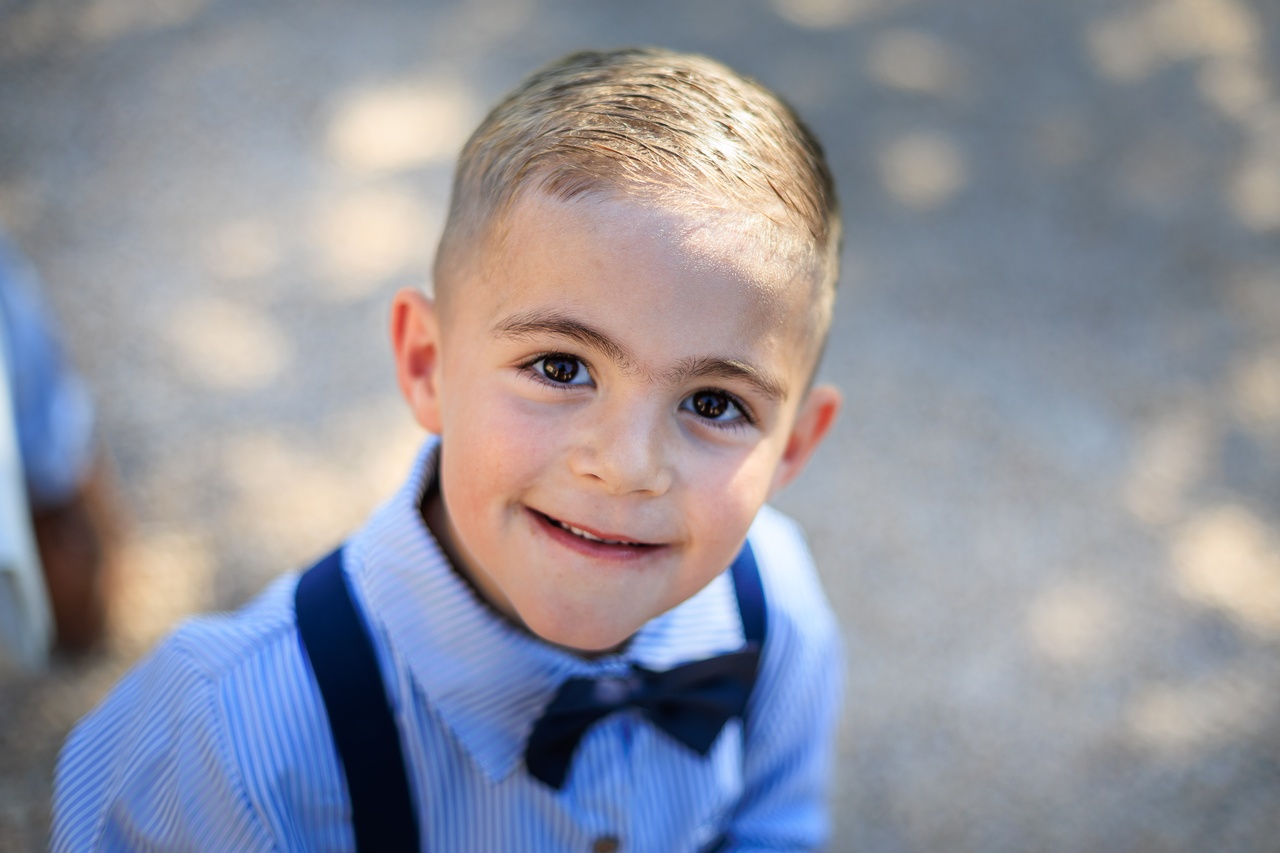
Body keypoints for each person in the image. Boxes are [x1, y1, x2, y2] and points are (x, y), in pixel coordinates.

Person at [52, 47, 845, 851]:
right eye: (560, 367)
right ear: (427, 363)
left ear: (792, 447)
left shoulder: (774, 606)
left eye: (714, 404)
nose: (627, 465)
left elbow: (777, 828)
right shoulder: (219, 747)